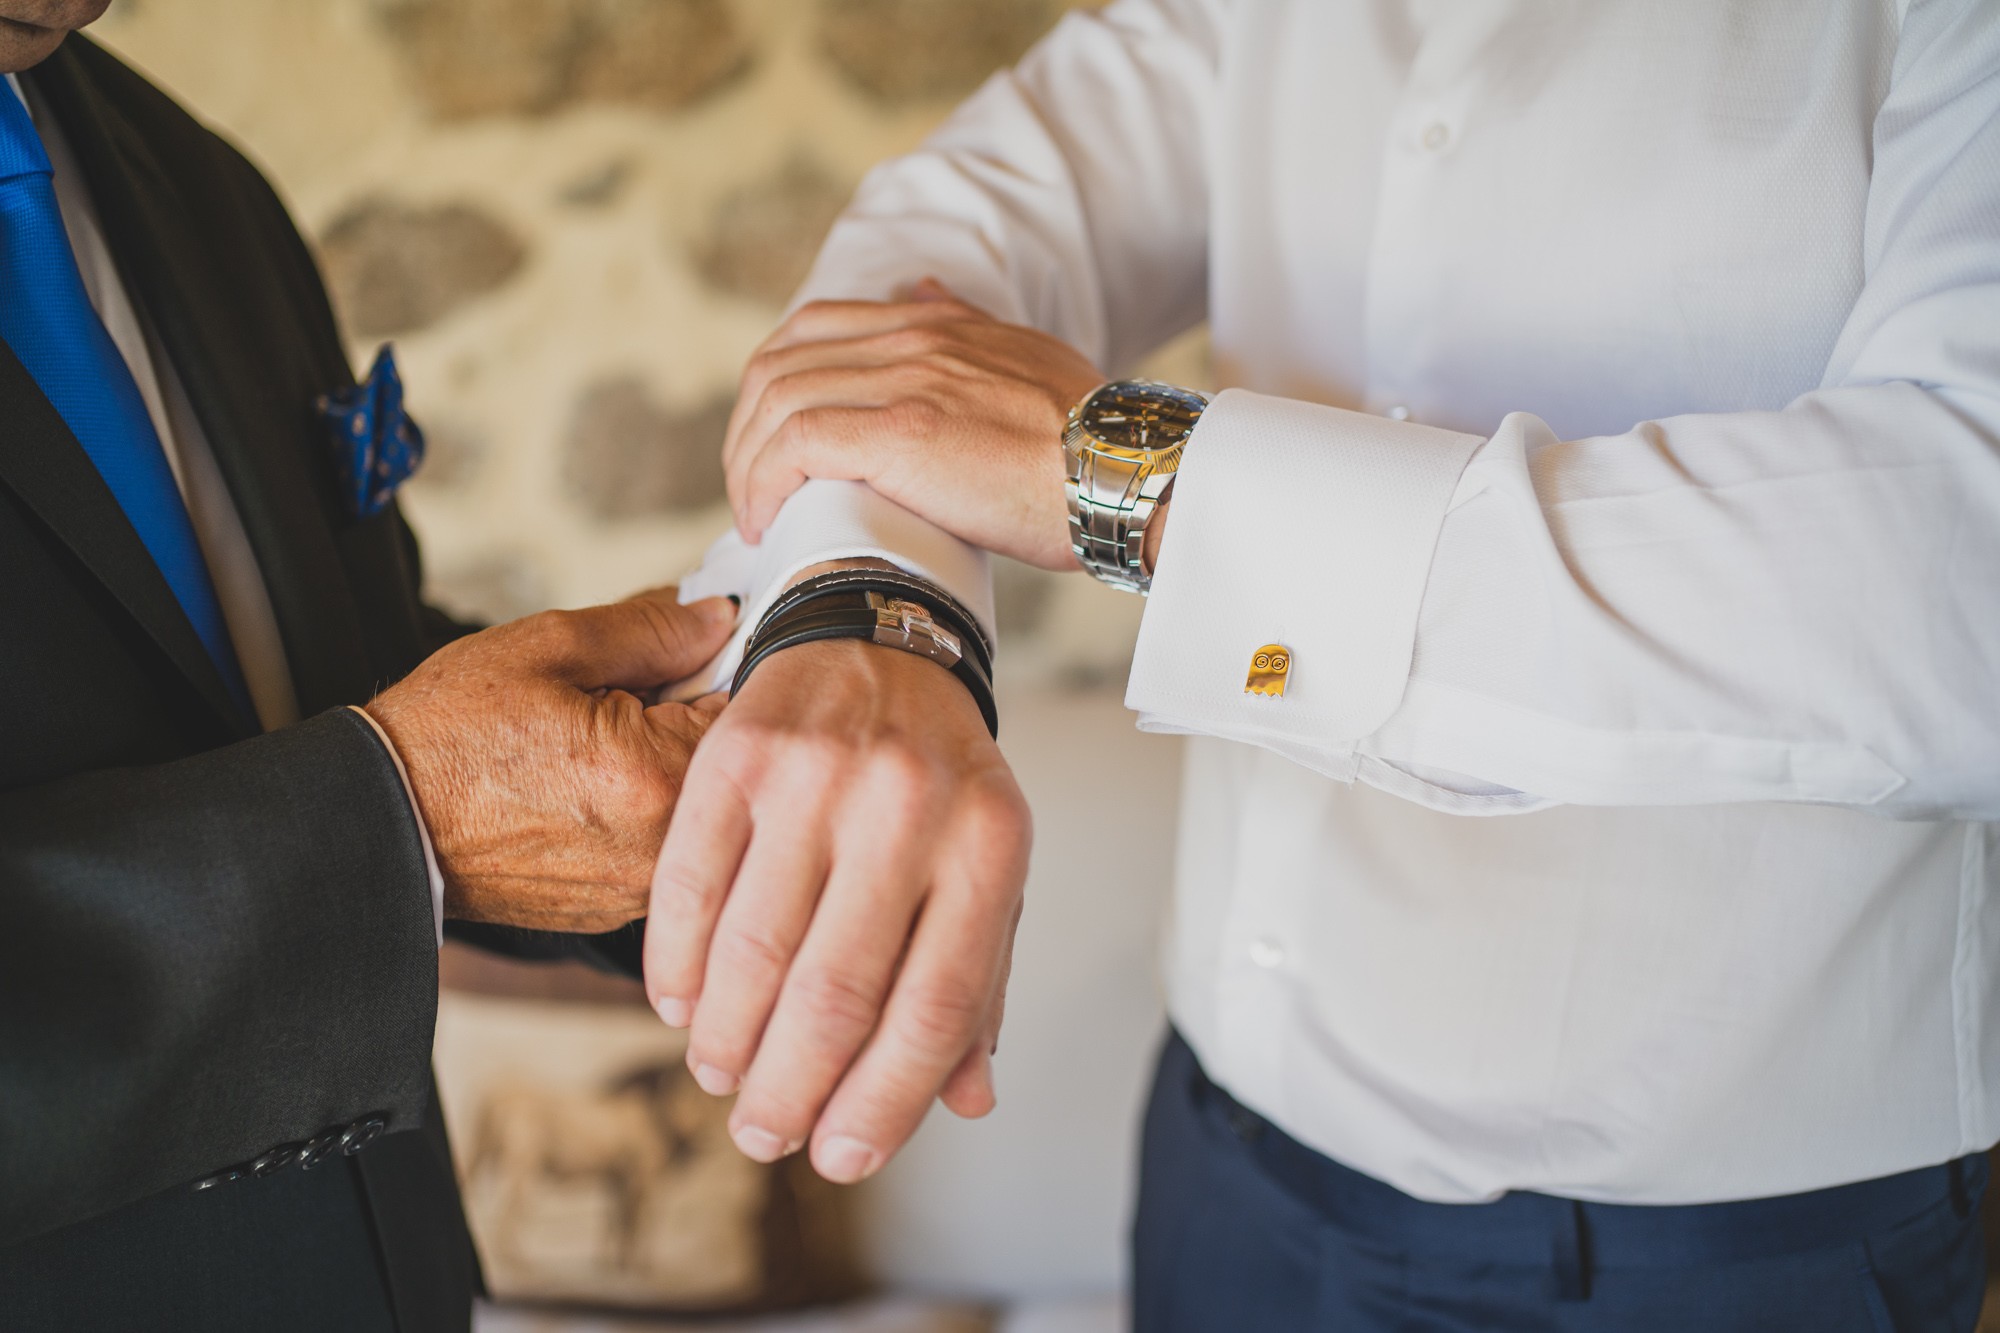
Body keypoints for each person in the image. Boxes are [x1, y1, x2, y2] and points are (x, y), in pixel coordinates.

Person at [690, 0, 2000, 1328]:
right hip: (1231, 1158)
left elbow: (1964, 568)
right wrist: (881, 606)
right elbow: (957, 240)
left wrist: (1131, 480)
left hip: (1735, 1236)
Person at [0, 4, 1029, 1330]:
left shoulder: (181, 176)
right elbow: (381, 784)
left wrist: (721, 770)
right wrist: (399, 824)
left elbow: (312, 677)